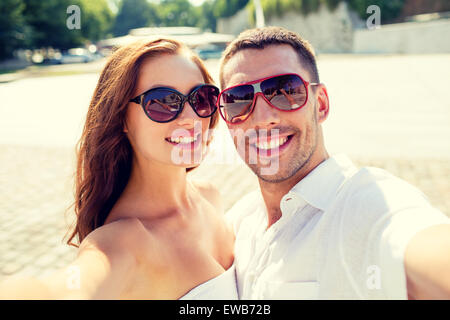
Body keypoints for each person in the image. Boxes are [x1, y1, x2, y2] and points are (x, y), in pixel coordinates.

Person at [218, 26, 450, 299]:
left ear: (322, 104)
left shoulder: (367, 204)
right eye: (238, 100)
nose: (262, 118)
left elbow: (420, 244)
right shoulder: (237, 222)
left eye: (285, 91)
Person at [0, 38, 237, 300]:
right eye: (163, 102)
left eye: (201, 98)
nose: (191, 118)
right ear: (121, 117)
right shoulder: (122, 243)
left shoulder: (209, 196)